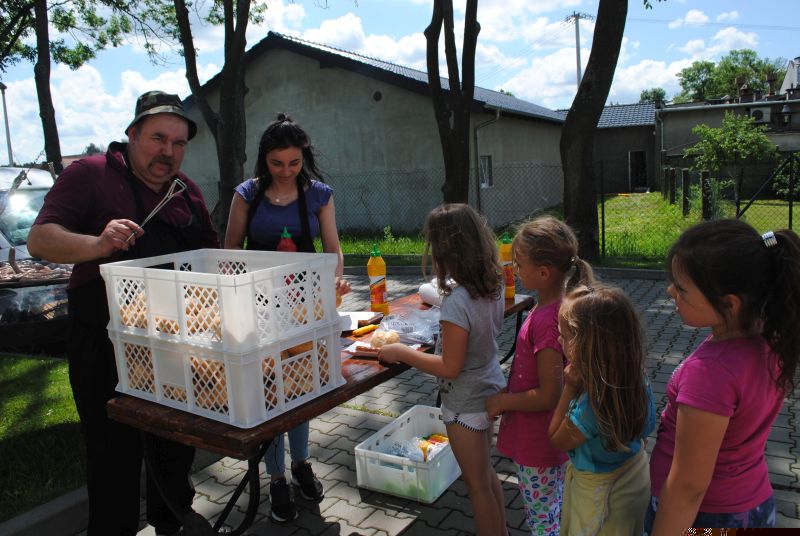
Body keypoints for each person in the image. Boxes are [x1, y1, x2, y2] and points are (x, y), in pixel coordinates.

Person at [27, 91, 219, 535]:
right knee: (113, 451)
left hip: (172, 342)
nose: (168, 151)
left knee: (176, 439)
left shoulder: (185, 191)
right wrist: (97, 243)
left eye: (178, 142)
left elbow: (210, 255)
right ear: (132, 134)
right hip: (103, 339)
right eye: (157, 138)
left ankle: (172, 517)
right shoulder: (91, 174)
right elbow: (40, 239)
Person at [224, 113, 350, 522]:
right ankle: (276, 476)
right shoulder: (247, 194)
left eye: (294, 163)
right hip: (258, 306)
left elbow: (332, 248)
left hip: (304, 307)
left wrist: (335, 279)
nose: (285, 171)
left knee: (302, 386)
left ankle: (301, 464)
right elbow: (230, 250)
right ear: (264, 159)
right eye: (277, 163)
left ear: (304, 158)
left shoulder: (319, 195)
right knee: (270, 391)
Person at [645, 219, 800, 534]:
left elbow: (688, 487)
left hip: (706, 519)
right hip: (754, 503)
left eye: (682, 289)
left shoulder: (709, 373)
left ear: (730, 303)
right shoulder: (770, 341)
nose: (670, 291)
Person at [378, 203, 508, 536]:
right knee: (486, 476)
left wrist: (402, 352)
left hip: (464, 404)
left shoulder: (457, 301)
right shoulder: (493, 284)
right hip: (489, 388)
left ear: (444, 250)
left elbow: (450, 366)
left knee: (477, 486)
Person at [485, 216, 594, 536]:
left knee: (543, 520)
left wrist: (503, 401)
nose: (514, 270)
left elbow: (549, 393)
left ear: (544, 273)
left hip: (539, 445)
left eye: (519, 264)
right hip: (548, 439)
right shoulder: (554, 307)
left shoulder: (547, 320)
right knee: (555, 511)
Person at [548, 284, 656, 536]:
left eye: (564, 336)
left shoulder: (591, 405)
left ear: (585, 343)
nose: (559, 340)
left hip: (599, 498)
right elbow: (644, 434)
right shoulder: (638, 379)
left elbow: (556, 439)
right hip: (634, 478)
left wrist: (569, 388)